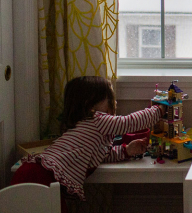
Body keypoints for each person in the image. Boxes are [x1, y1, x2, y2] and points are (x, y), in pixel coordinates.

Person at [11, 76, 164, 209]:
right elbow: (128, 123)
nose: (114, 102)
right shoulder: (97, 120)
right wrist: (158, 111)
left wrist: (126, 150)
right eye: (109, 99)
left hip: (33, 171)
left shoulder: (86, 128)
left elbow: (100, 155)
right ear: (90, 105)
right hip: (40, 175)